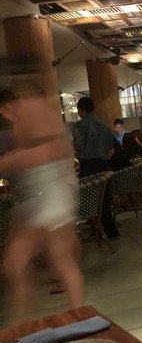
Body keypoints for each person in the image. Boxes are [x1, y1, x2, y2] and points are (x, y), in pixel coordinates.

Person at [0, 85, 84, 319]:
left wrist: (11, 160)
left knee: (57, 260)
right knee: (17, 263)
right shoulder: (26, 116)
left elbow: (54, 151)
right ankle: (24, 322)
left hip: (51, 196)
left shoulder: (33, 110)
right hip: (41, 197)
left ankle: (78, 316)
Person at [73, 97, 120, 239]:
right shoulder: (103, 125)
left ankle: (100, 230)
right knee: (103, 199)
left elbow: (79, 145)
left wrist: (71, 148)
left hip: (88, 166)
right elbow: (110, 147)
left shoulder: (80, 125)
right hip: (103, 164)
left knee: (91, 200)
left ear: (81, 110)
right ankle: (109, 230)